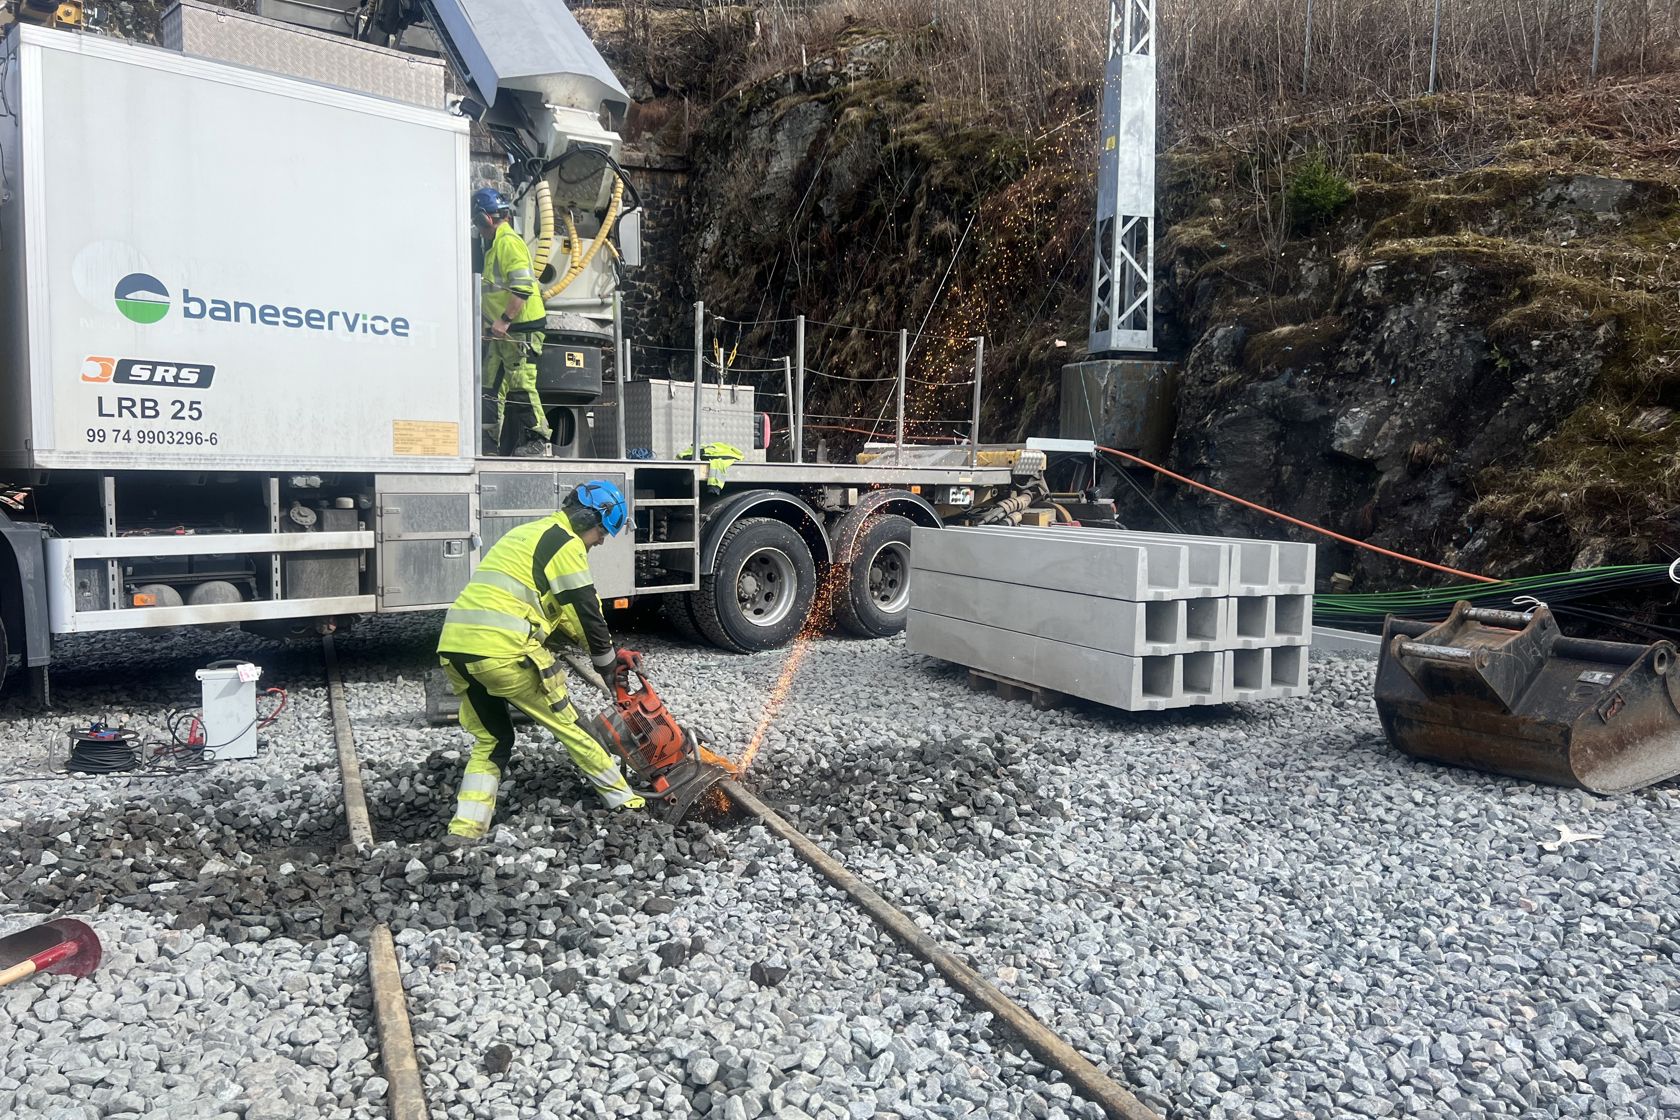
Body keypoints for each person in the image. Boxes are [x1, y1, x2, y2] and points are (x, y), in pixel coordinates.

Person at [436, 480, 644, 839]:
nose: (600, 541)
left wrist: (611, 651)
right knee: (574, 727)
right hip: (503, 653)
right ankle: (627, 804)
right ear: (586, 520)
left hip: (455, 649)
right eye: (601, 533)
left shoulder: (528, 534)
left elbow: (565, 616)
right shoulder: (566, 543)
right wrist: (609, 667)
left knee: (493, 740)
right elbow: (586, 610)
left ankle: (464, 830)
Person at [472, 187, 551, 458]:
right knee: (489, 385)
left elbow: (522, 286)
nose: (477, 228)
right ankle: (486, 444)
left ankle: (538, 440)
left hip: (520, 328)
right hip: (503, 330)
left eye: (477, 222)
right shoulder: (495, 244)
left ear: (485, 218)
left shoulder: (507, 242)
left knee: (521, 384)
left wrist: (504, 320)